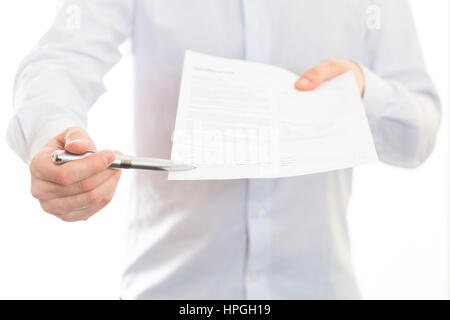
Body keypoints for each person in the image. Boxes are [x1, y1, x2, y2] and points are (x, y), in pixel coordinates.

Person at [6, 0, 440, 299]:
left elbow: (418, 132)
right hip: (170, 289)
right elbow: (60, 58)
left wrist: (362, 90)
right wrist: (51, 134)